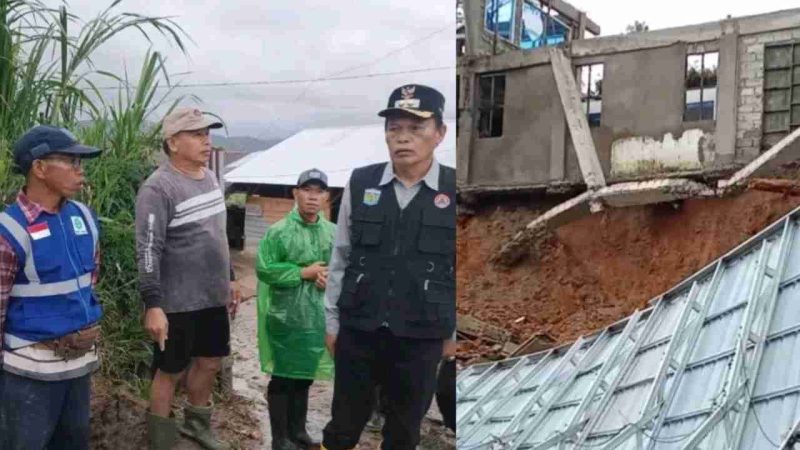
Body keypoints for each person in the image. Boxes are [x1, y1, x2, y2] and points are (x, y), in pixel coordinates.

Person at [321, 84, 456, 450]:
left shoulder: (455, 188)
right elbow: (341, 256)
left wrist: (452, 332)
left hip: (422, 335)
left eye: (416, 128)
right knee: (343, 426)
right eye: (394, 128)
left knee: (403, 432)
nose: (403, 137)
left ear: (440, 133)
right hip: (360, 328)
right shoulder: (361, 182)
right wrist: (332, 322)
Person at [135, 107, 241, 450]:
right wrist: (153, 304)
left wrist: (230, 278)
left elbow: (218, 235)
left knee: (210, 362)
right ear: (172, 142)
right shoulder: (159, 188)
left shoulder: (210, 178)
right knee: (170, 370)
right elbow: (148, 249)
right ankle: (161, 438)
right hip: (176, 301)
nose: (206, 141)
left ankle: (197, 424)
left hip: (212, 296)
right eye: (196, 135)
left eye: (207, 134)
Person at [0, 125, 103, 449]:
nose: (80, 170)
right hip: (27, 375)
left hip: (77, 366)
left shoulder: (84, 217)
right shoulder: (9, 230)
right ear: (39, 168)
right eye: (71, 161)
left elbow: (90, 282)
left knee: (74, 442)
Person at [255, 168, 336, 450]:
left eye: (319, 191)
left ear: (326, 197)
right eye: (307, 190)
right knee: (283, 376)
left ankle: (298, 431)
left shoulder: (333, 233)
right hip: (286, 316)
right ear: (295, 193)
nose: (313, 197)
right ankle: (280, 438)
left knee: (304, 375)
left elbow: (343, 268)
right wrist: (303, 273)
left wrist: (329, 279)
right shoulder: (278, 232)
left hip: (317, 317)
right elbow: (265, 269)